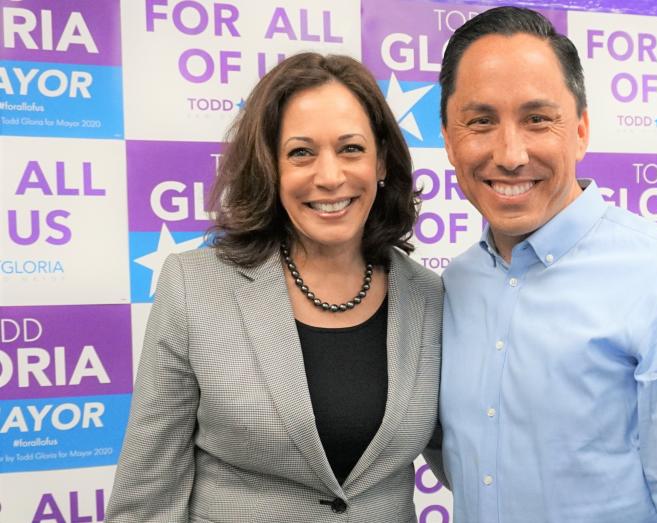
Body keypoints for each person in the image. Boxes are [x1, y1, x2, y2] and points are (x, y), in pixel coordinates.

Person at [437, 7, 657, 522]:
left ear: (581, 130)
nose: (510, 153)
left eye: (538, 119)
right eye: (481, 122)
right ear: (450, 141)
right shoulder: (455, 286)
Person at [107, 53, 443, 522]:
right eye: (301, 152)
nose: (329, 177)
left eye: (351, 149)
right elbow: (148, 495)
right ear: (270, 166)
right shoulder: (193, 287)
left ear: (382, 161)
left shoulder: (431, 297)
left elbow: (476, 458)